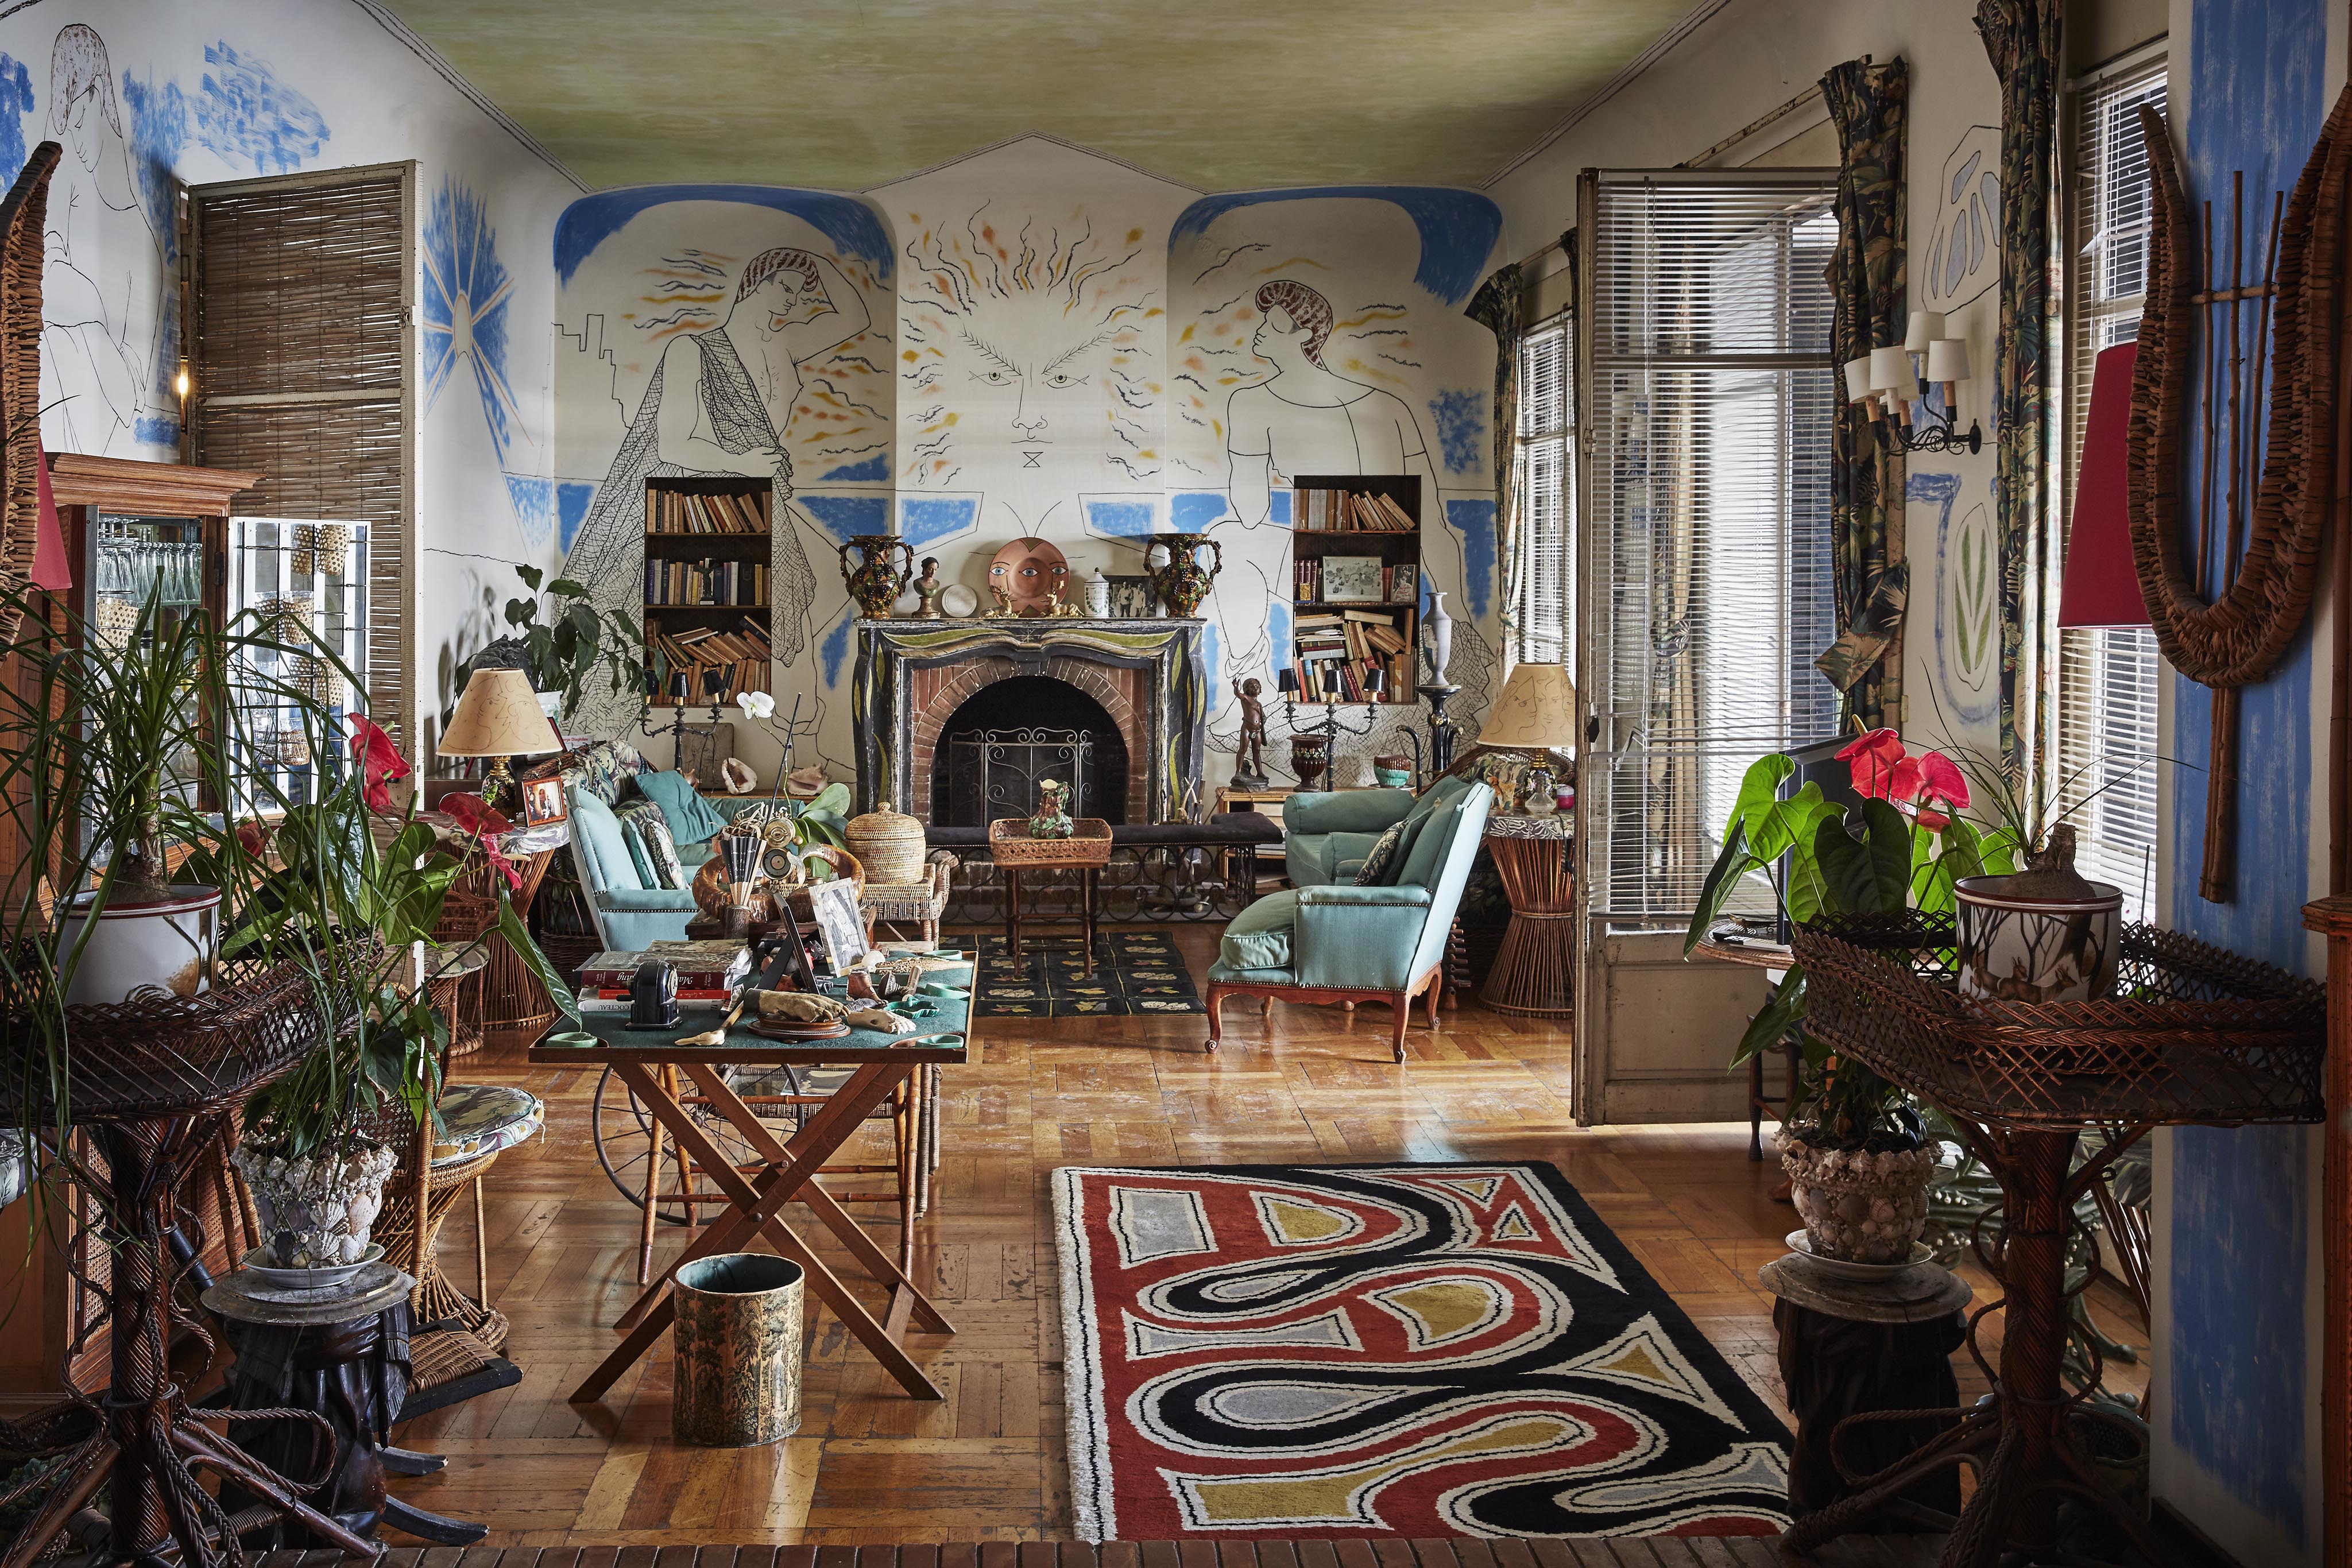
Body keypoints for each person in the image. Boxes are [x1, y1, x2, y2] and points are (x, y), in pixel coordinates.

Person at [560, 246, 872, 738]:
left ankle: (797, 734)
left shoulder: (784, 348)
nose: (791, 302)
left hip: (764, 500)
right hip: (706, 503)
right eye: (783, 287)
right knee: (735, 608)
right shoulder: (693, 349)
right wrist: (742, 461)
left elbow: (857, 315)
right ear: (754, 283)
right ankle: (773, 726)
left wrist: (815, 259)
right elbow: (672, 442)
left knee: (816, 593)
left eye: (800, 294)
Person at [1224, 279, 1440, 535]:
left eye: (1275, 326)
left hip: (1313, 545)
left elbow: (1251, 513)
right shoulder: (1395, 408)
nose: (1261, 330)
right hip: (1385, 546)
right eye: (1264, 321)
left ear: (1306, 336)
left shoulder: (1250, 403)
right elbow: (1433, 522)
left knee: (1223, 530)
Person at [1231, 677, 1269, 784]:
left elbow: (1262, 716)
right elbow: (1238, 694)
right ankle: (1238, 772)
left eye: (1257, 686)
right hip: (1247, 728)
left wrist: (1263, 720)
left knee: (1257, 751)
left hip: (1257, 730)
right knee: (1243, 749)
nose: (1255, 688)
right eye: (1252, 686)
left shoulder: (1259, 704)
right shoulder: (1246, 699)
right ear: (1247, 689)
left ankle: (1260, 772)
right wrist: (1236, 688)